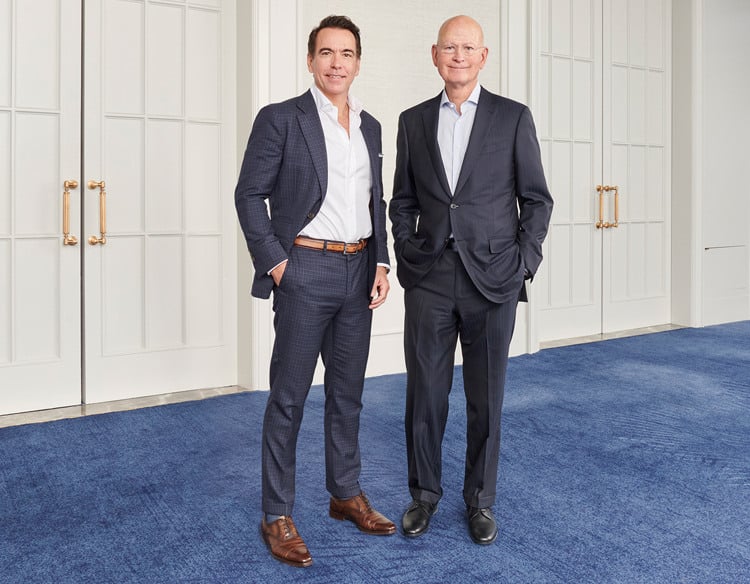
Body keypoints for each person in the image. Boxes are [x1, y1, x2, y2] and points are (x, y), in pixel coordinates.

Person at [234, 15, 395, 568]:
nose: (336, 63)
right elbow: (248, 194)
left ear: (358, 63)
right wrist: (278, 264)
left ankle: (344, 493)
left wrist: (381, 261)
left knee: (348, 393)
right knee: (289, 396)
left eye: (346, 53)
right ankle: (276, 513)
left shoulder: (371, 126)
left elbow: (375, 201)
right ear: (310, 61)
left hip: (359, 271)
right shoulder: (281, 118)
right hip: (304, 269)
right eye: (326, 53)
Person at [389, 15, 553, 545]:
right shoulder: (413, 121)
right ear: (434, 55)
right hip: (431, 278)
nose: (458, 56)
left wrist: (524, 262)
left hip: (494, 279)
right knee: (425, 395)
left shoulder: (513, 117)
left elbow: (537, 200)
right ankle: (424, 495)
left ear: (483, 56)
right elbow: (402, 201)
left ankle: (480, 500)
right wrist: (407, 251)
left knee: (486, 399)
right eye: (449, 47)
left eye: (468, 48)